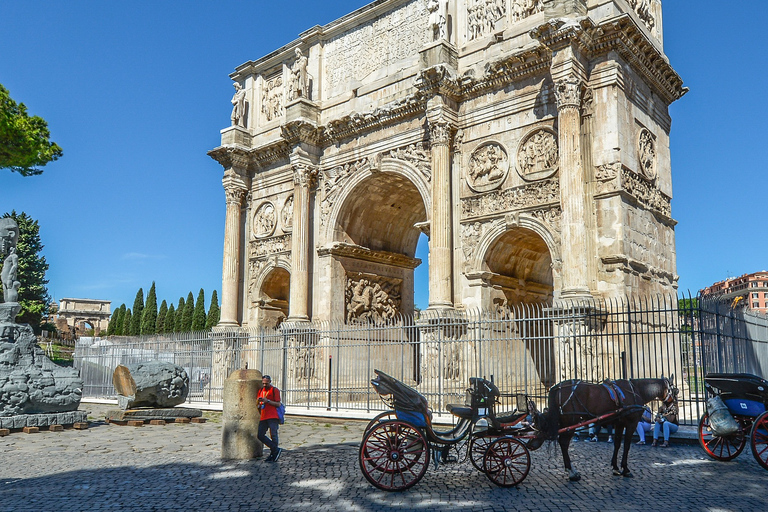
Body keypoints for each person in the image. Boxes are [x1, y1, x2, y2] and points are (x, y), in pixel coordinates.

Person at [257, 374, 283, 461]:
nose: (265, 385)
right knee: (260, 435)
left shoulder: (275, 390)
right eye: (263, 383)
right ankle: (275, 449)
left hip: (273, 415)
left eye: (266, 383)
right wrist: (259, 404)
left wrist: (267, 401)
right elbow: (258, 402)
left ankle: (273, 454)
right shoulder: (261, 390)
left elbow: (278, 404)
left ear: (270, 382)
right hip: (263, 416)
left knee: (273, 435)